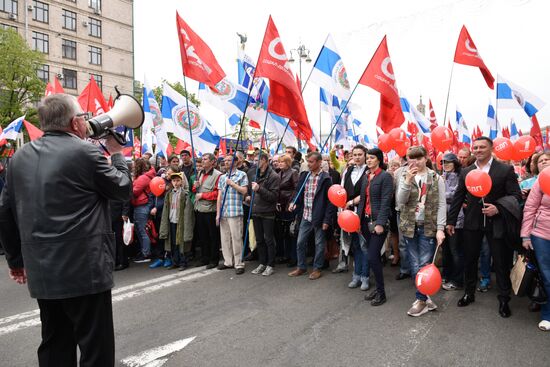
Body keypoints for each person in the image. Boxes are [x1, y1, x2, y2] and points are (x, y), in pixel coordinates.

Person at [0, 94, 132, 367]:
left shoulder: (18, 158)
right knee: (96, 348)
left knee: (54, 343)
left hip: (43, 272)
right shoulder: (86, 152)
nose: (86, 122)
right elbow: (122, 189)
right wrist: (117, 153)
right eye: (83, 117)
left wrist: (15, 261)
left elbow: (5, 212)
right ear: (74, 123)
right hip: (85, 270)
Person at [447, 137, 522, 318]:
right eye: (476, 147)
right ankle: (469, 293)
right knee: (470, 260)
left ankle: (504, 299)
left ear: (491, 149)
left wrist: (498, 208)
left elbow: (516, 196)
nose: (478, 150)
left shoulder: (505, 170)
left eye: (482, 147)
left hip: (496, 224)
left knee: (501, 262)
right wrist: (450, 221)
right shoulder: (466, 171)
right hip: (472, 223)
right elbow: (458, 197)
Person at [396, 146, 446, 317]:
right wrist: (408, 181)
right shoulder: (404, 175)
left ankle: (421, 300)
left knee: (424, 263)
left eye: (418, 158)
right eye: (411, 158)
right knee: (414, 264)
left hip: (428, 226)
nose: (415, 162)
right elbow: (400, 201)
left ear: (426, 158)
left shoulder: (436, 178)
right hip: (410, 225)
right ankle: (425, 297)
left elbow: (441, 204)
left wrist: (440, 229)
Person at [351, 148, 393, 305]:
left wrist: (380, 223)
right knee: (371, 254)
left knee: (372, 256)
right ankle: (378, 289)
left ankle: (381, 293)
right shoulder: (367, 176)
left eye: (372, 158)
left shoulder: (385, 177)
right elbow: (362, 200)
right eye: (367, 158)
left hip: (377, 223)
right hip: (365, 221)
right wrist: (358, 221)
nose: (368, 160)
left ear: (379, 160)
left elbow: (385, 202)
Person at [288, 152, 336, 280]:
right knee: (300, 242)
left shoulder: (326, 179)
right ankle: (301, 267)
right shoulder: (304, 175)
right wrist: (293, 202)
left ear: (319, 163)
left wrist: (326, 219)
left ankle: (317, 268)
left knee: (319, 244)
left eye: (311, 161)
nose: (308, 164)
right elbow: (298, 191)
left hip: (319, 217)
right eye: (307, 161)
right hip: (305, 215)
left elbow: (330, 201)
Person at [521, 152, 550, 331]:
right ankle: (547, 314)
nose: (544, 162)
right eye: (541, 160)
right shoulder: (540, 181)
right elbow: (530, 208)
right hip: (541, 235)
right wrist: (525, 235)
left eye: (548, 159)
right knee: (547, 276)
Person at [340, 145, 369, 289]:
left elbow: (365, 193)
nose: (357, 157)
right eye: (354, 154)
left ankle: (365, 277)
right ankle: (356, 275)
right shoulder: (348, 171)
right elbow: (341, 190)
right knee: (354, 245)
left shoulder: (368, 172)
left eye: (360, 154)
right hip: (348, 213)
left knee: (364, 245)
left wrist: (351, 202)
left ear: (365, 155)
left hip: (362, 211)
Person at [249, 153, 281, 276]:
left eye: (257, 160)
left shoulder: (274, 176)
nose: (254, 162)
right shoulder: (255, 174)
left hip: (267, 212)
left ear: (264, 160)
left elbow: (273, 197)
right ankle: (262, 263)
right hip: (256, 210)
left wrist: (259, 189)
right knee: (259, 239)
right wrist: (249, 196)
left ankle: (270, 264)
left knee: (268, 239)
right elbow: (252, 191)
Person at [216, 154, 248, 274]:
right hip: (224, 211)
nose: (226, 162)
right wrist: (218, 214)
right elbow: (219, 196)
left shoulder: (241, 174)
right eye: (225, 161)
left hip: (235, 211)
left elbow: (244, 191)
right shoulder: (222, 177)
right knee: (225, 239)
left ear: (235, 162)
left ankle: (239, 263)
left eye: (229, 160)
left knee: (236, 238)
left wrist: (233, 184)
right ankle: (228, 261)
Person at [440, 153, 464, 291]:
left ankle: (458, 280)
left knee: (456, 250)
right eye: (444, 162)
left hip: (456, 219)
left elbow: (456, 195)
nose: (446, 164)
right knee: (446, 250)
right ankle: (447, 275)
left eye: (449, 162)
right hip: (443, 218)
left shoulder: (460, 176)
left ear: (455, 163)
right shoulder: (443, 176)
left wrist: (441, 193)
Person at [159, 172, 193, 271]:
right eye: (174, 181)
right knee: (173, 243)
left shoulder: (185, 194)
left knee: (181, 242)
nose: (176, 183)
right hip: (172, 220)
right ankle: (175, 261)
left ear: (182, 181)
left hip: (180, 221)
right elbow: (166, 209)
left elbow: (187, 211)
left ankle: (183, 262)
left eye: (178, 180)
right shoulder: (169, 194)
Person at [193, 153, 222, 269]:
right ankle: (205, 257)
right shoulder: (200, 173)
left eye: (205, 159)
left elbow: (218, 194)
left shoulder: (218, 175)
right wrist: (195, 186)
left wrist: (203, 195)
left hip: (211, 210)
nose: (202, 161)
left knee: (213, 236)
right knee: (203, 236)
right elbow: (196, 190)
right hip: (200, 209)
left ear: (212, 162)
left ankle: (214, 259)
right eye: (202, 159)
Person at [274, 154, 299, 267]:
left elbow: (296, 188)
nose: (279, 164)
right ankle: (286, 255)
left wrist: (292, 202)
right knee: (284, 232)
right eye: (279, 162)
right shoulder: (278, 174)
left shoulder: (293, 172)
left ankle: (294, 257)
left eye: (282, 162)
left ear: (288, 163)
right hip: (280, 206)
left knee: (291, 232)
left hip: (289, 205)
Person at [131, 158, 156, 262]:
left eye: (133, 165)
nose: (132, 167)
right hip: (143, 205)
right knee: (141, 230)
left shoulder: (143, 178)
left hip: (142, 206)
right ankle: (144, 251)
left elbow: (134, 192)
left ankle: (146, 254)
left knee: (142, 231)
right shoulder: (146, 176)